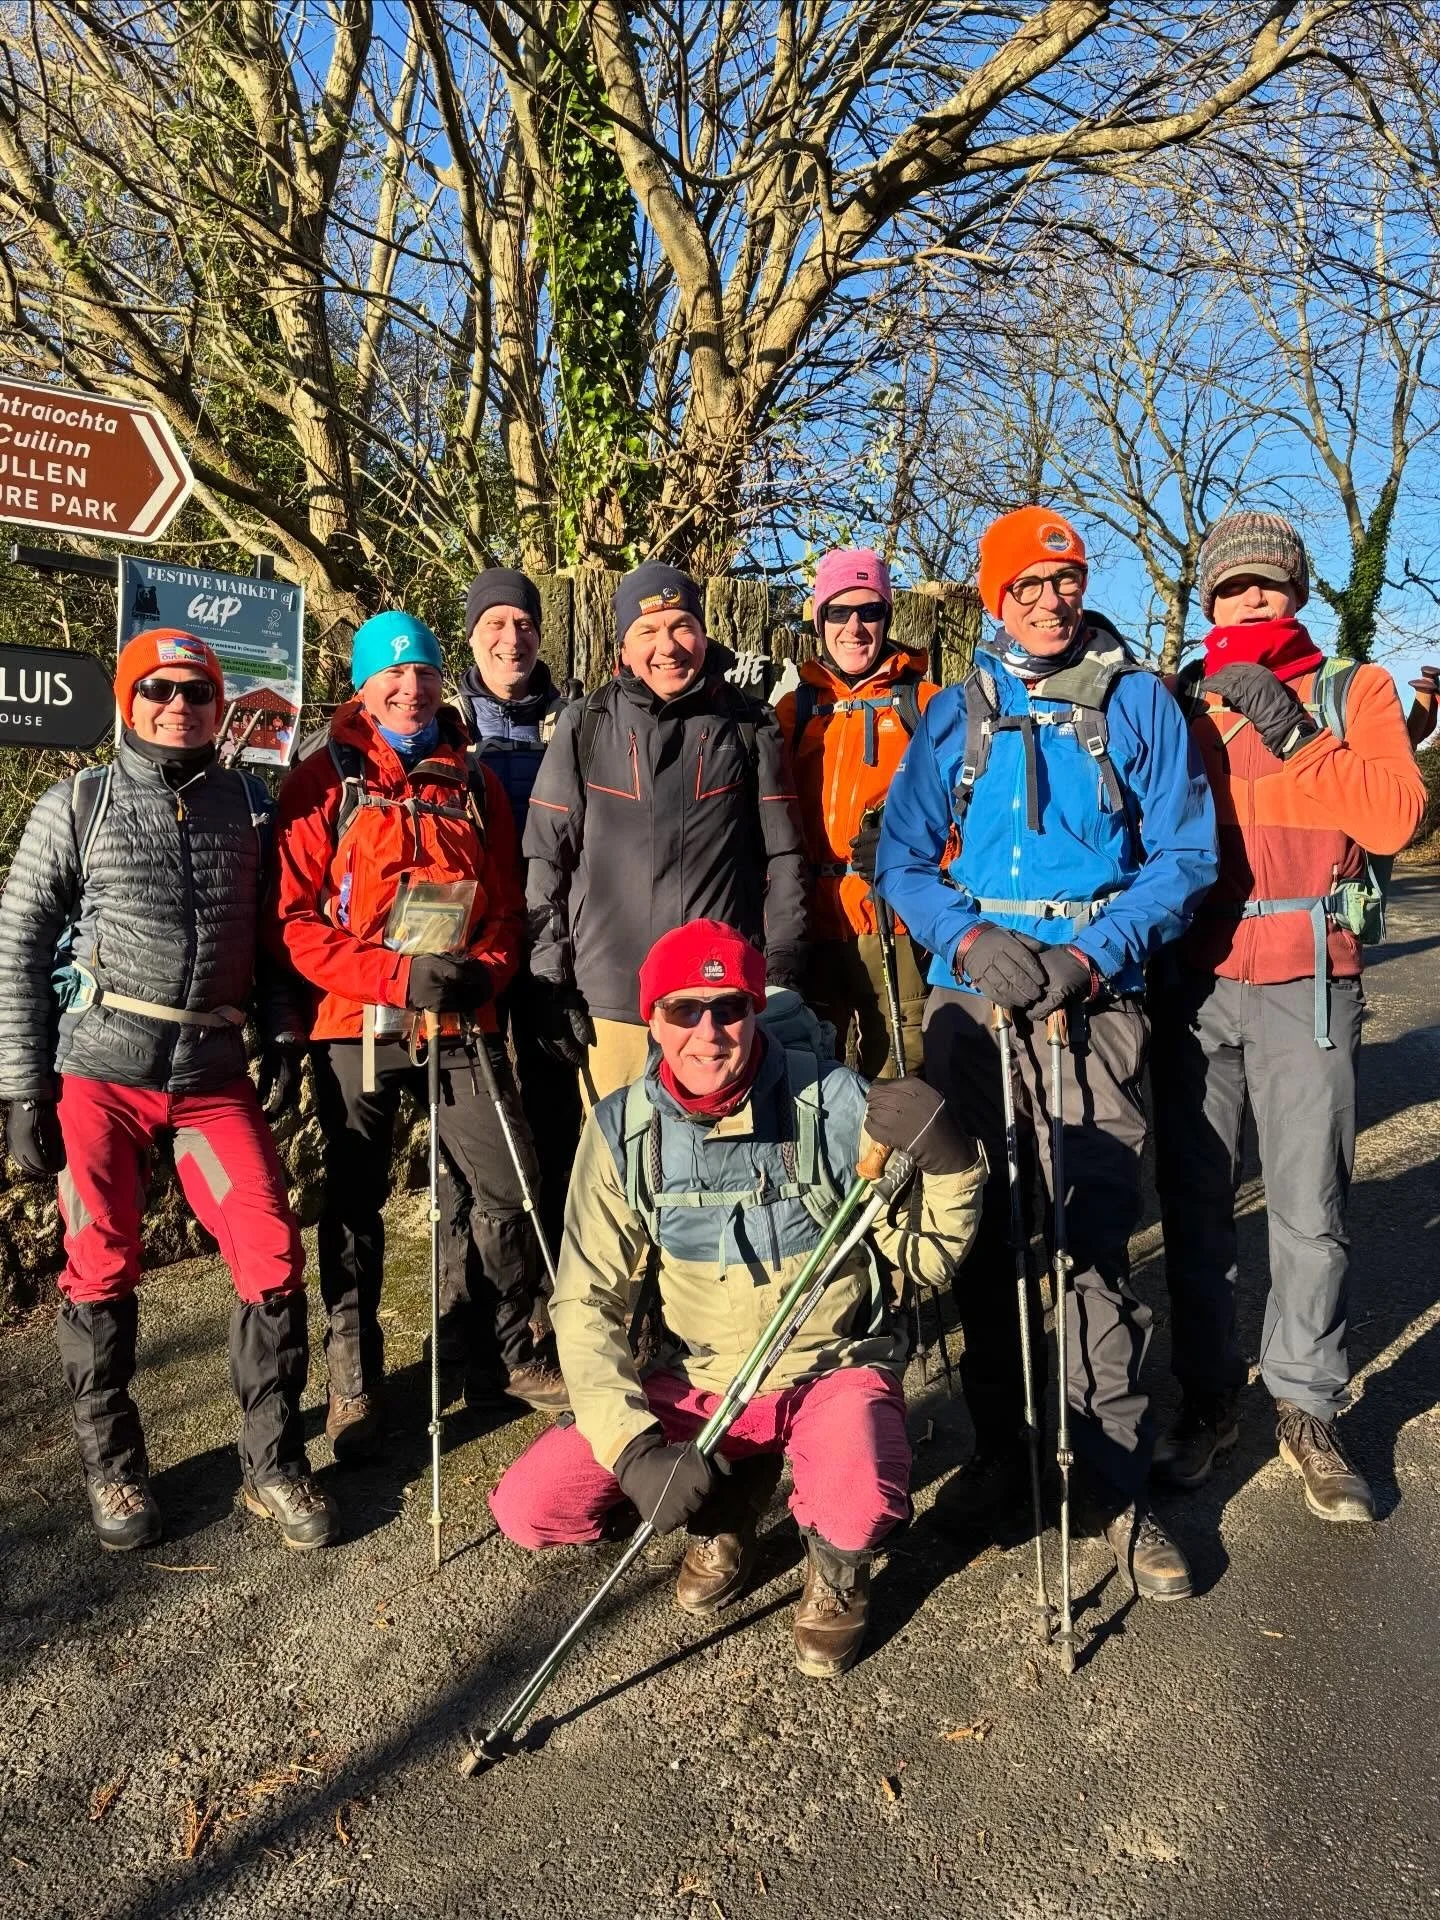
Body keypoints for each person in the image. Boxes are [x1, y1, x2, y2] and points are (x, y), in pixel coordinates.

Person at [489, 919, 985, 1676]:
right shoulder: (623, 1130)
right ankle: (725, 1511)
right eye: (684, 1009)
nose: (709, 1032)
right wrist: (632, 1451)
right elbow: (587, 1303)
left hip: (832, 1365)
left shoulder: (837, 1104)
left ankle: (837, 1568)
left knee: (861, 1500)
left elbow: (920, 1263)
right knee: (532, 1505)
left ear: (756, 1008)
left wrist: (951, 1171)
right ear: (651, 1018)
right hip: (705, 1378)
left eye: (729, 1007)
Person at [876, 506, 1218, 1600]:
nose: (1052, 601)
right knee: (977, 1228)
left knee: (1092, 1231)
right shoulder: (955, 716)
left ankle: (1113, 1485)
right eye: (1028, 586)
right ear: (995, 596)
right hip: (974, 1003)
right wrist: (970, 939)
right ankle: (1001, 1451)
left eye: (1065, 582)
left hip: (1094, 997)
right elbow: (901, 860)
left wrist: (1095, 953)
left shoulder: (1138, 705)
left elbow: (1185, 854)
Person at [0, 630, 336, 1553]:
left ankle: (271, 1465)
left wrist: (278, 1021)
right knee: (99, 1265)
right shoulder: (78, 803)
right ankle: (113, 1466)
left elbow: (272, 936)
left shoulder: (250, 808)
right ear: (127, 696)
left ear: (220, 705)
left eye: (198, 691)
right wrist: (21, 1088)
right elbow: (19, 939)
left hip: (209, 1080)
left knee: (270, 1255)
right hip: (99, 1076)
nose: (178, 705)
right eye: (159, 688)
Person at [1150, 511, 1426, 1519]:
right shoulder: (1175, 701)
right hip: (1194, 979)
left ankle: (1306, 1405)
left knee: (1311, 1209)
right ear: (1210, 599)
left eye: (1269, 584)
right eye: (1233, 588)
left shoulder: (1356, 690)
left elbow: (1396, 816)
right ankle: (1210, 1394)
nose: (1252, 600)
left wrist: (1297, 733)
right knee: (1193, 1206)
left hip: (1311, 976)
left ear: (1299, 591)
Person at [267, 609, 566, 1462]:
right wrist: (395, 977)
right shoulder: (322, 781)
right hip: (356, 1023)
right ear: (363, 687)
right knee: (356, 1203)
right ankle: (353, 1381)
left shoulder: (470, 781)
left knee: (506, 1187)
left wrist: (487, 970)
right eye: (392, 676)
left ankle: (507, 1353)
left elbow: (507, 905)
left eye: (425, 674)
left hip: (462, 1018)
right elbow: (290, 923)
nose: (411, 688)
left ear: (444, 681)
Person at [524, 561, 807, 1105]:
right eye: (647, 631)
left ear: (704, 634)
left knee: (721, 1169)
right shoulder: (587, 726)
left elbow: (785, 856)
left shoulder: (750, 725)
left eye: (682, 626)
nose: (668, 646)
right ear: (623, 648)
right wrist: (549, 974)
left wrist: (781, 968)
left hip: (718, 1002)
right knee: (621, 1165)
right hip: (614, 1001)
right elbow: (545, 858)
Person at [442, 567, 582, 1342]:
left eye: (523, 623)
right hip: (472, 949)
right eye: (494, 623)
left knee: (559, 1122)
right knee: (475, 1142)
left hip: (557, 943)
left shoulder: (579, 717)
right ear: (471, 636)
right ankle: (474, 1311)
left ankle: (559, 1296)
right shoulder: (443, 717)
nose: (511, 637)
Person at [774, 548, 938, 1076]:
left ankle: (894, 1164)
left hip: (892, 917)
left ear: (887, 616)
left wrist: (906, 849)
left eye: (869, 611)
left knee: (901, 1067)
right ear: (819, 621)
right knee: (806, 1069)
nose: (854, 627)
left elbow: (966, 815)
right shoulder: (794, 711)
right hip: (811, 922)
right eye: (838, 612)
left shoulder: (927, 704)